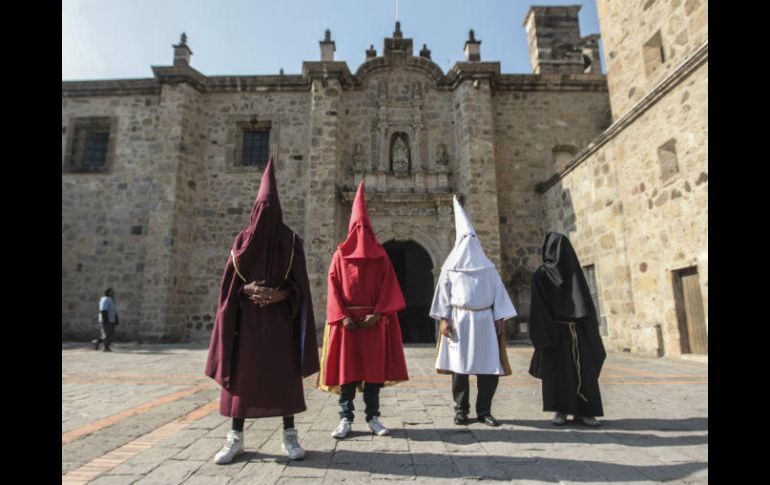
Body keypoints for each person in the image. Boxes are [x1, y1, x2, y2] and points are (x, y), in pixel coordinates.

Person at [204, 159, 319, 464]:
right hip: (247, 324)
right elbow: (229, 286)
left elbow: (301, 288)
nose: (265, 215)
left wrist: (280, 293)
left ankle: (290, 434)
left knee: (284, 377)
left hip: (280, 322)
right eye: (261, 209)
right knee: (243, 378)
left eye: (271, 209)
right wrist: (247, 290)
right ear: (255, 209)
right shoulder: (242, 241)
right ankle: (235, 437)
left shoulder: (290, 242)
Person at [317, 180, 409, 439]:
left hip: (373, 323)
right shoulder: (339, 256)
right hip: (347, 323)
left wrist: (378, 313)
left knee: (372, 372)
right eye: (356, 227)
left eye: (364, 227)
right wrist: (343, 317)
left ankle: (373, 417)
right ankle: (345, 418)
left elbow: (388, 286)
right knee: (347, 373)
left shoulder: (381, 257)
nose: (360, 232)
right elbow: (333, 287)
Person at [430, 196, 517, 427]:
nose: (468, 242)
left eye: (471, 238)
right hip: (459, 321)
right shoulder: (450, 268)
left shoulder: (488, 268)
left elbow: (499, 294)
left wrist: (500, 317)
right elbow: (443, 295)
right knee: (460, 368)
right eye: (464, 238)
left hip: (485, 321)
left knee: (488, 367)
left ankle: (484, 410)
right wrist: (444, 319)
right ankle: (461, 410)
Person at [528, 232, 606, 427]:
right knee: (558, 373)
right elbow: (540, 308)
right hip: (558, 333)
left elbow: (584, 304)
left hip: (574, 332)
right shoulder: (542, 275)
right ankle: (561, 410)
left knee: (582, 372)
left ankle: (585, 412)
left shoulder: (572, 272)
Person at [94, 287, 118, 352]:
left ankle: (97, 342)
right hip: (106, 320)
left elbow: (113, 310)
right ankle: (106, 347)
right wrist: (105, 320)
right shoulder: (105, 299)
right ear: (108, 292)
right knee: (107, 334)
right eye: (112, 292)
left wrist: (116, 319)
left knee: (110, 334)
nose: (114, 293)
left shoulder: (111, 299)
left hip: (111, 319)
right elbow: (103, 310)